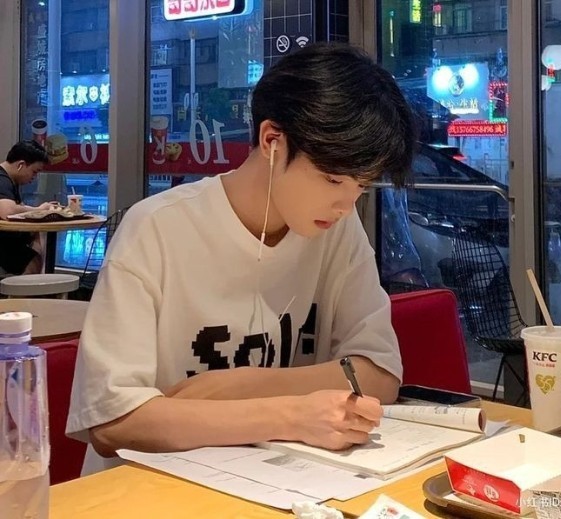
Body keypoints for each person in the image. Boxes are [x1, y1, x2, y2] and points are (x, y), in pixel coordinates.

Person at [66, 42, 416, 474]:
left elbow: (380, 374)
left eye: (360, 186)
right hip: (149, 489)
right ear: (272, 140)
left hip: (277, 481)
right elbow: (112, 423)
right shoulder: (156, 227)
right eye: (332, 180)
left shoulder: (337, 232)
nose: (346, 205)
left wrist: (239, 386)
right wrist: (290, 414)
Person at [0, 140, 55, 274]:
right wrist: (40, 210)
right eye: (34, 172)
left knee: (34, 235)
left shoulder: (10, 181)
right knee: (32, 258)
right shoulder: (2, 180)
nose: (34, 177)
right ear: (21, 165)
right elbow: (7, 211)